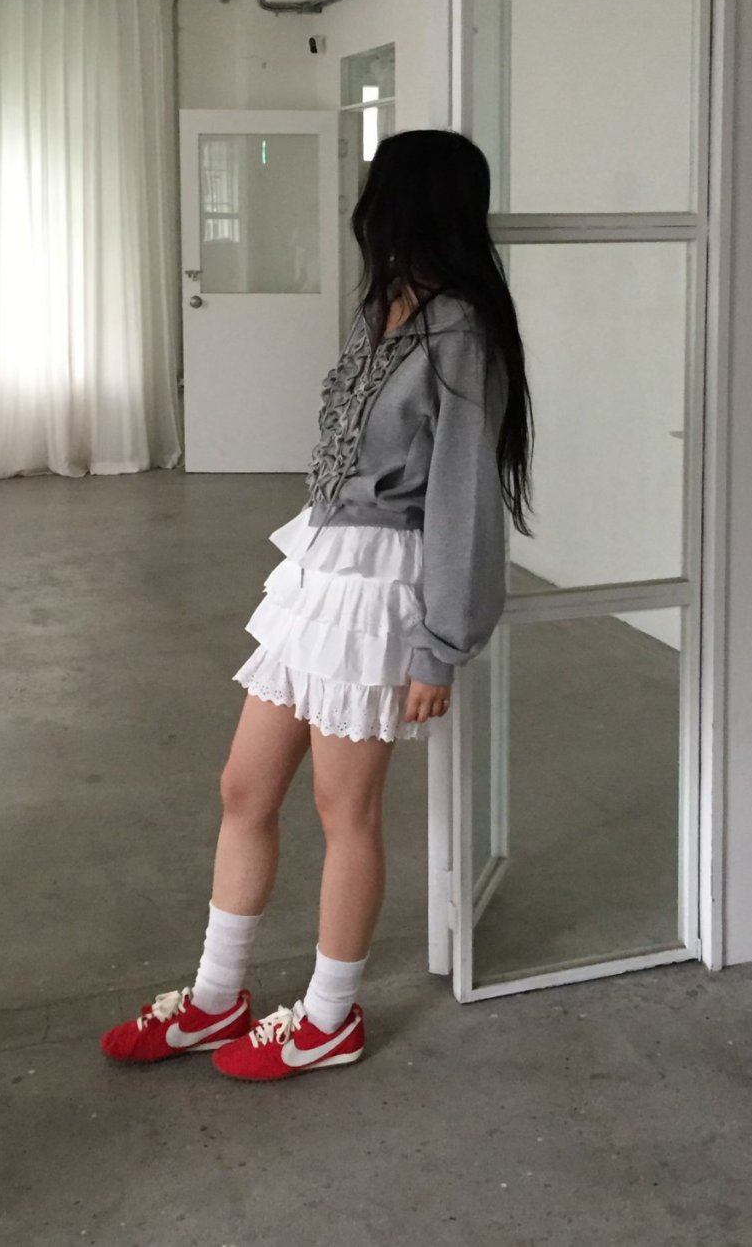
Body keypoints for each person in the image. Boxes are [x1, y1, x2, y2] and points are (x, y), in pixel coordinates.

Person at [100, 129, 534, 1080]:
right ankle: (218, 995)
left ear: (410, 204)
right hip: (316, 573)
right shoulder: (380, 310)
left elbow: (464, 499)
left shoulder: (462, 333)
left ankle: (331, 1014)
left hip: (381, 589)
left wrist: (440, 644)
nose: (363, 212)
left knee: (346, 810)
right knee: (244, 786)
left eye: (378, 193)